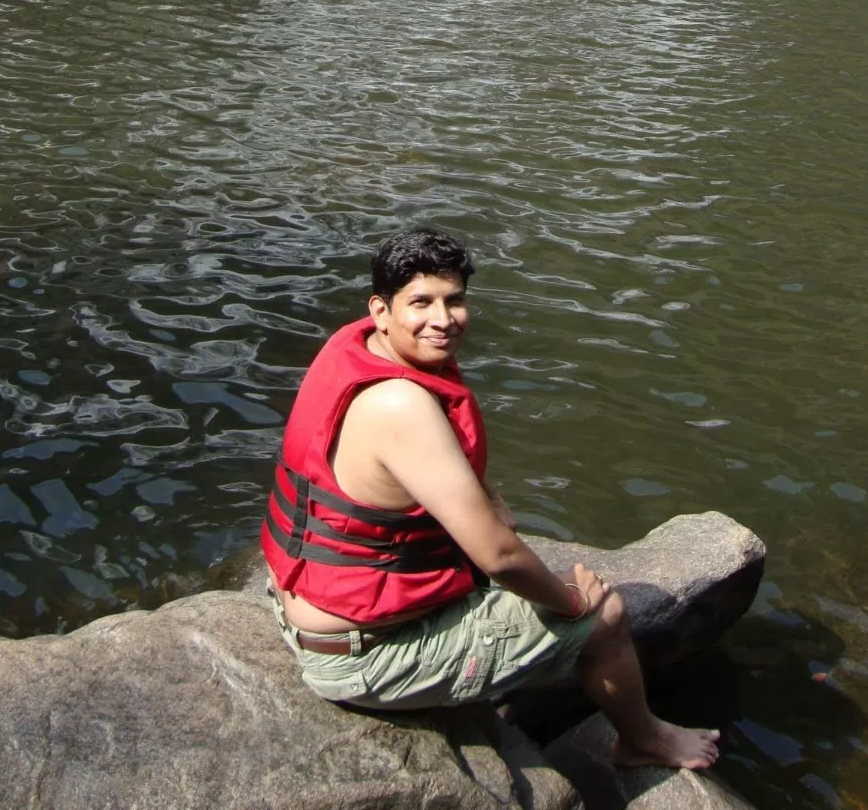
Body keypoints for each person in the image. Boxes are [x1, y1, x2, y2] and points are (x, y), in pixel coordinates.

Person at [262, 227, 720, 770]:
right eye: (422, 303)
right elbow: (499, 558)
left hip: (302, 602)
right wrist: (572, 604)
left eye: (454, 300)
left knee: (505, 543)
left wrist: (489, 498)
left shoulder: (354, 349)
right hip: (364, 656)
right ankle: (644, 741)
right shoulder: (401, 406)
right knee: (607, 616)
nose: (442, 319)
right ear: (380, 309)